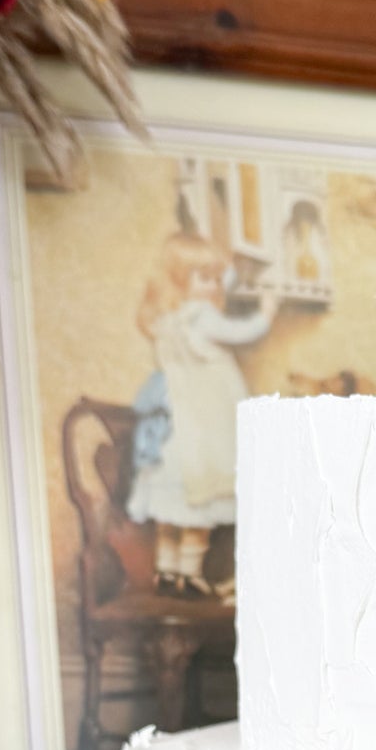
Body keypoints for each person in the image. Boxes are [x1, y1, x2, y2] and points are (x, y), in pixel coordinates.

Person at [126, 231, 277, 593]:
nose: (213, 286)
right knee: (199, 503)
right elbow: (244, 331)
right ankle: (190, 575)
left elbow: (213, 276)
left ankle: (166, 571)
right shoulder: (202, 318)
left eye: (215, 278)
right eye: (203, 278)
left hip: (177, 429)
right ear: (181, 279)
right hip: (206, 427)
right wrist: (267, 311)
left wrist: (229, 270)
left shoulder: (165, 321)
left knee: (171, 506)